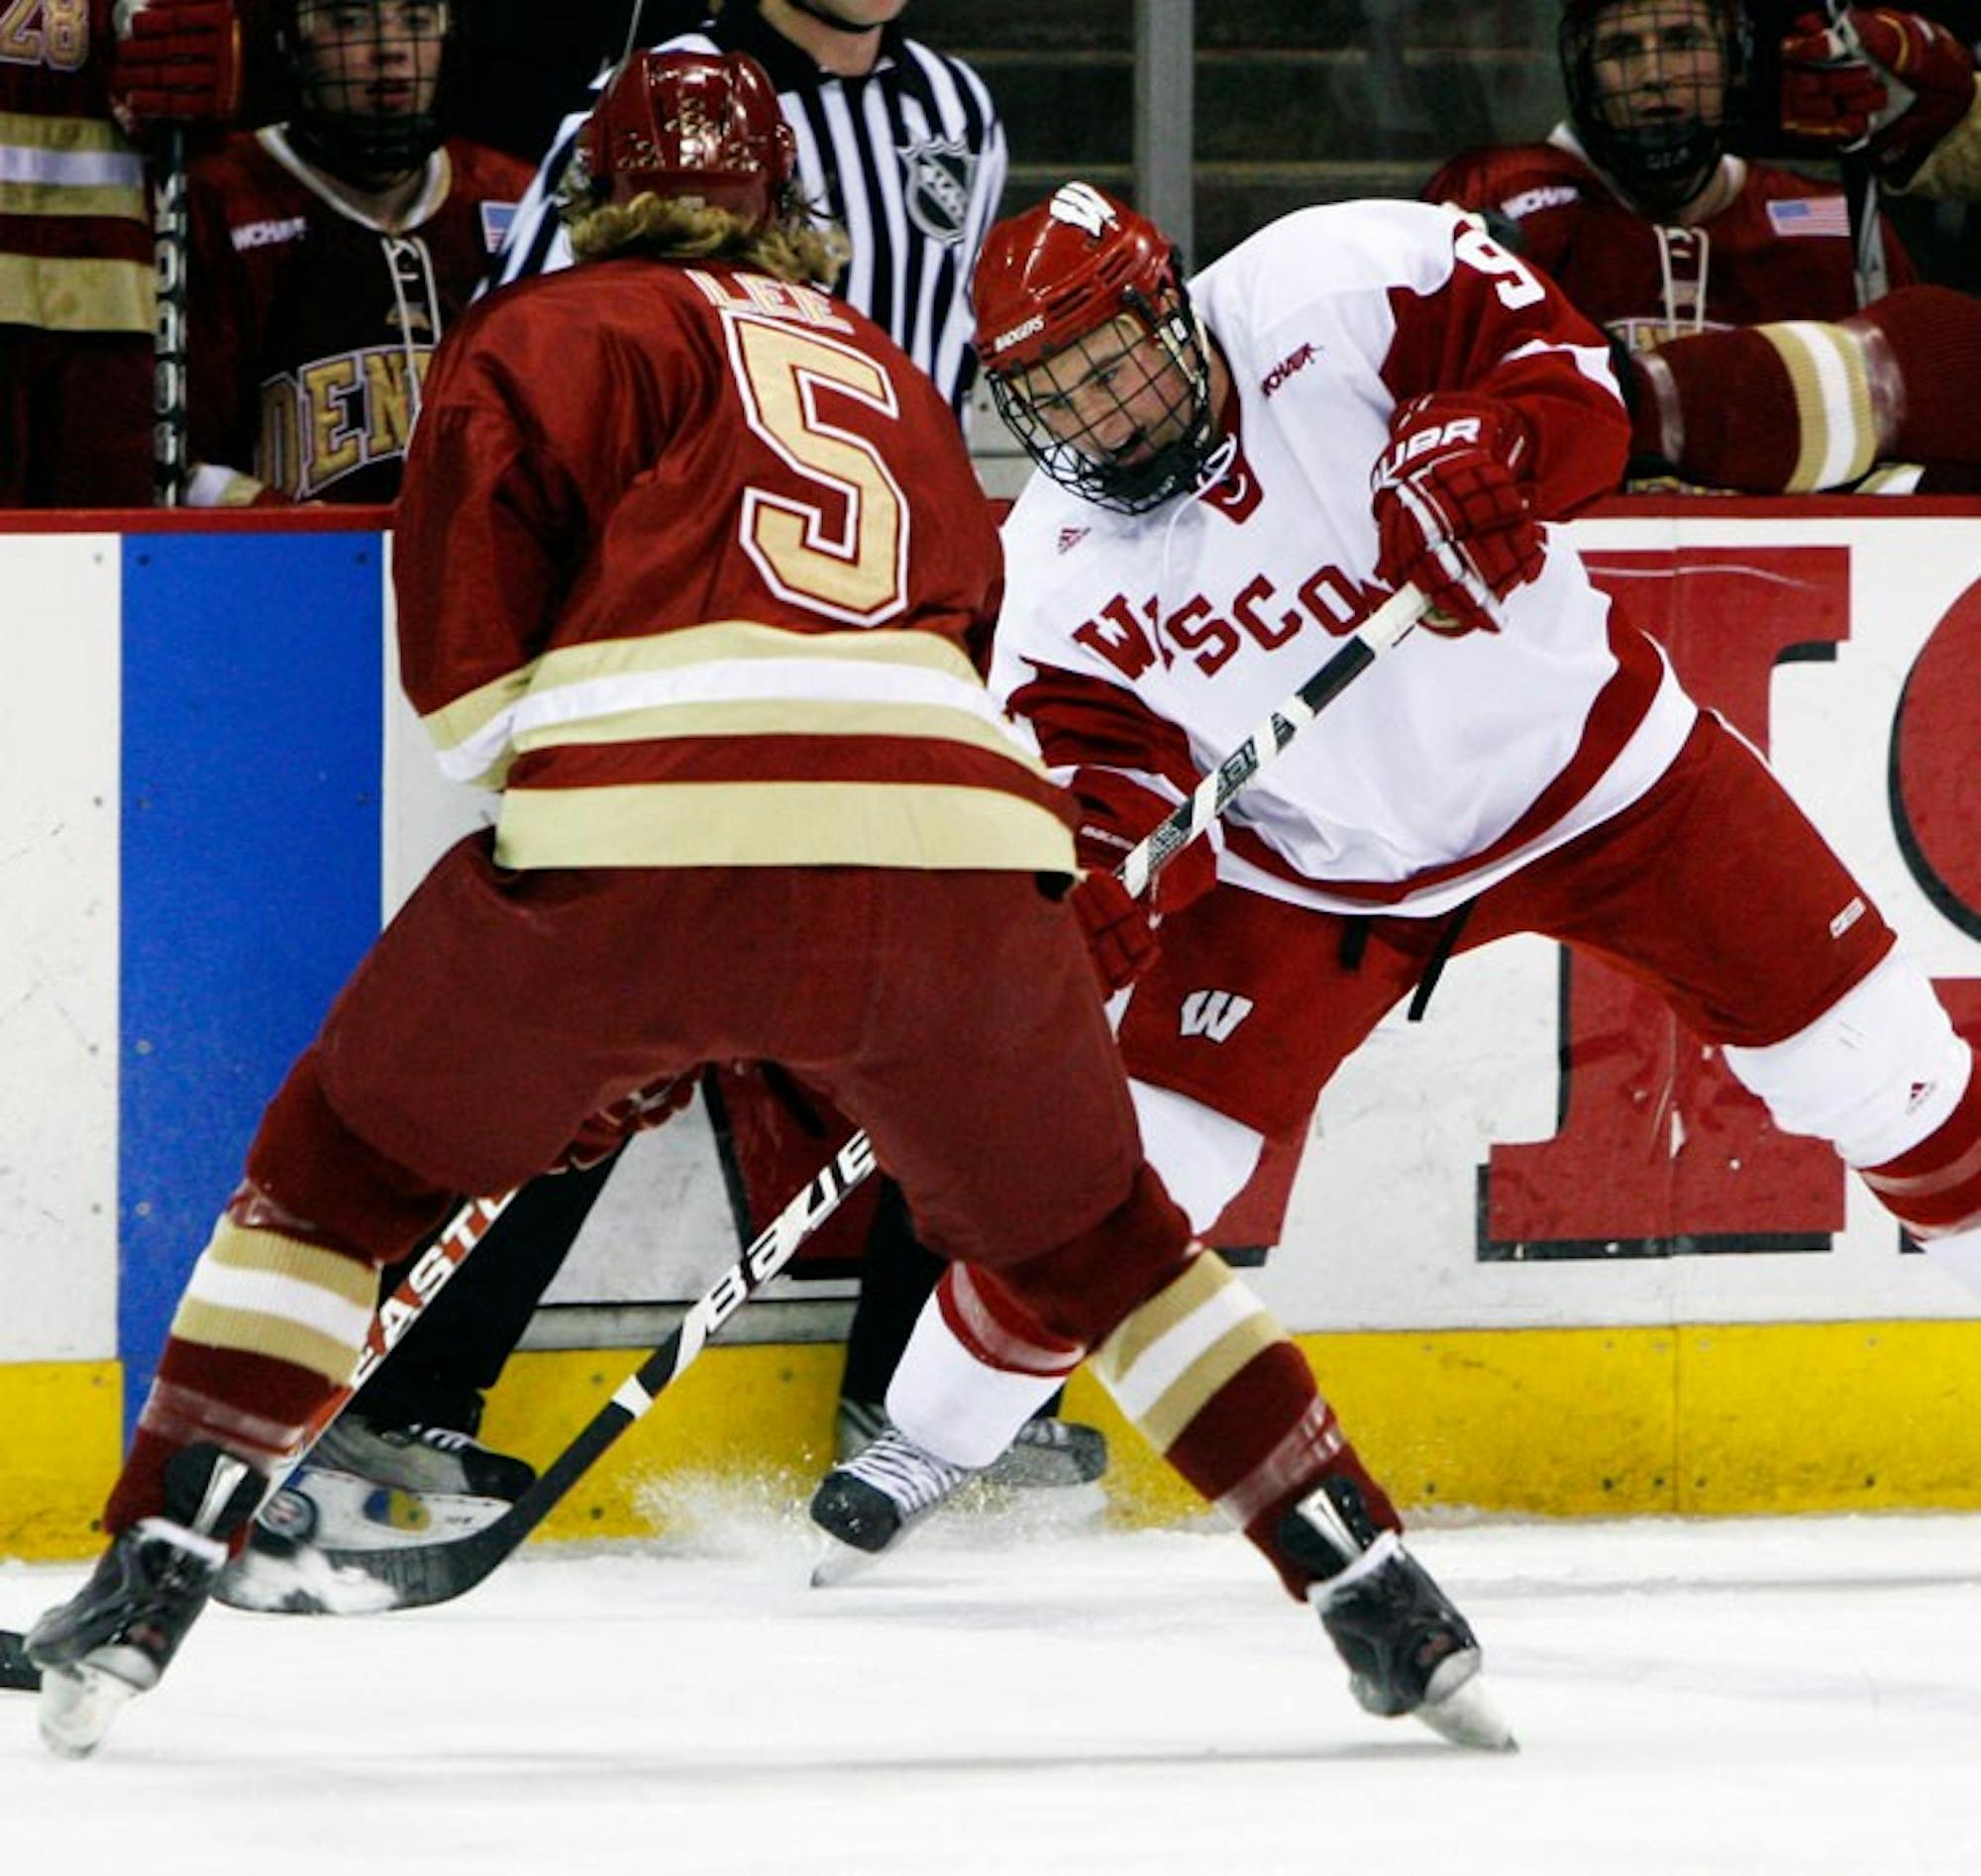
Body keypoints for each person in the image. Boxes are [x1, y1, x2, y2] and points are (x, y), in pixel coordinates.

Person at [23, 52, 1512, 1761]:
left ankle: (156, 1562)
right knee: (1106, 1241)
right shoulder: (881, 359)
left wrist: (619, 974)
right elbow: (954, 642)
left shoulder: (539, 334)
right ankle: (1375, 1581)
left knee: (334, 1177)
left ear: (593, 190)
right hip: (954, 840)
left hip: (649, 832)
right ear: (788, 207)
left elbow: (472, 697)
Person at [804, 179, 1981, 1571]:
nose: (1104, 415)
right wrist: (1094, 875)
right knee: (1133, 1163)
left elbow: (1581, 392)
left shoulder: (1341, 284)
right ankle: (926, 1440)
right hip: (1317, 870)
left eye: (1114, 363)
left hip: (1600, 777)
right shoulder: (1057, 565)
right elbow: (1096, 775)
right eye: (1059, 397)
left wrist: (1497, 450)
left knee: (1883, 1066)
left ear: (1170, 304)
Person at [238, 0, 1092, 1602]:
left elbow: (950, 368)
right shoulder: (643, 104)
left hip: (874, 617)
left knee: (954, 1000)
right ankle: (415, 1391)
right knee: (608, 1032)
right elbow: (527, 375)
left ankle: (907, 1393)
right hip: (669, 631)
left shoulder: (959, 110)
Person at [181, 0, 532, 505]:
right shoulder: (215, 197)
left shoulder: (515, 199)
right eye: (350, 21)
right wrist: (294, 530)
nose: (389, 50)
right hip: (283, 571)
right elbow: (172, 460)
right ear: (292, 46)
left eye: (415, 22)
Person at [1427, 0, 1919, 350]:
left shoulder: (1831, 225)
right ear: (1582, 70)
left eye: (1682, 41)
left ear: (1733, 58)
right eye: (1622, 49)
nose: (1655, 73)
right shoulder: (1496, 195)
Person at [1, 0, 241, 505]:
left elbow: (199, 105)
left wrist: (188, 80)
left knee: (98, 559)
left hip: (106, 318)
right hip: (103, 306)